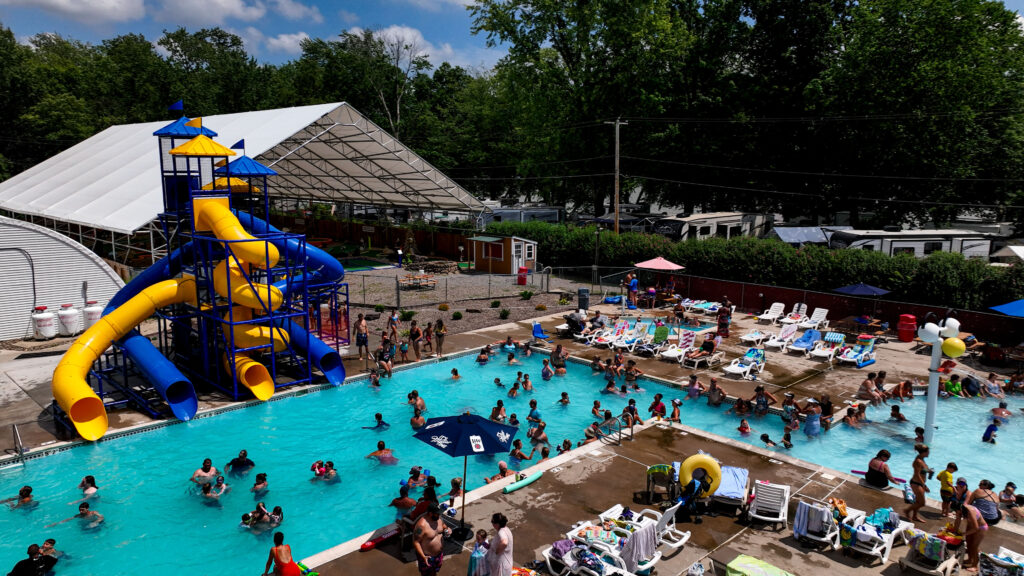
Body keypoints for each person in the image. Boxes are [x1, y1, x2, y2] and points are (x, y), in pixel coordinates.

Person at [413, 502, 451, 576]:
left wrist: (447, 529)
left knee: (434, 572)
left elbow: (443, 526)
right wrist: (423, 556)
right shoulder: (421, 525)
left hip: (438, 555)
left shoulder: (438, 519)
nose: (439, 515)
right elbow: (416, 542)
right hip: (427, 557)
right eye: (437, 514)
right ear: (430, 513)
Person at [953, 500, 988, 573]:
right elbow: (957, 520)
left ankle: (975, 566)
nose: (956, 513)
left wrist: (964, 533)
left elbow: (976, 528)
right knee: (968, 543)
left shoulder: (970, 511)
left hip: (981, 528)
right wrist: (955, 531)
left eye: (956, 511)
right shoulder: (961, 509)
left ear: (959, 509)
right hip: (971, 527)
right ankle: (970, 559)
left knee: (974, 547)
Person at [904, 444, 931, 522]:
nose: (929, 453)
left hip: (919, 483)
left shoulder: (922, 459)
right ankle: (907, 510)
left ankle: (915, 516)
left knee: (918, 501)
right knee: (922, 503)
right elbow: (917, 474)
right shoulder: (918, 461)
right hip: (916, 483)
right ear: (924, 452)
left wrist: (929, 471)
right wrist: (924, 485)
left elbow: (923, 470)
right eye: (928, 452)